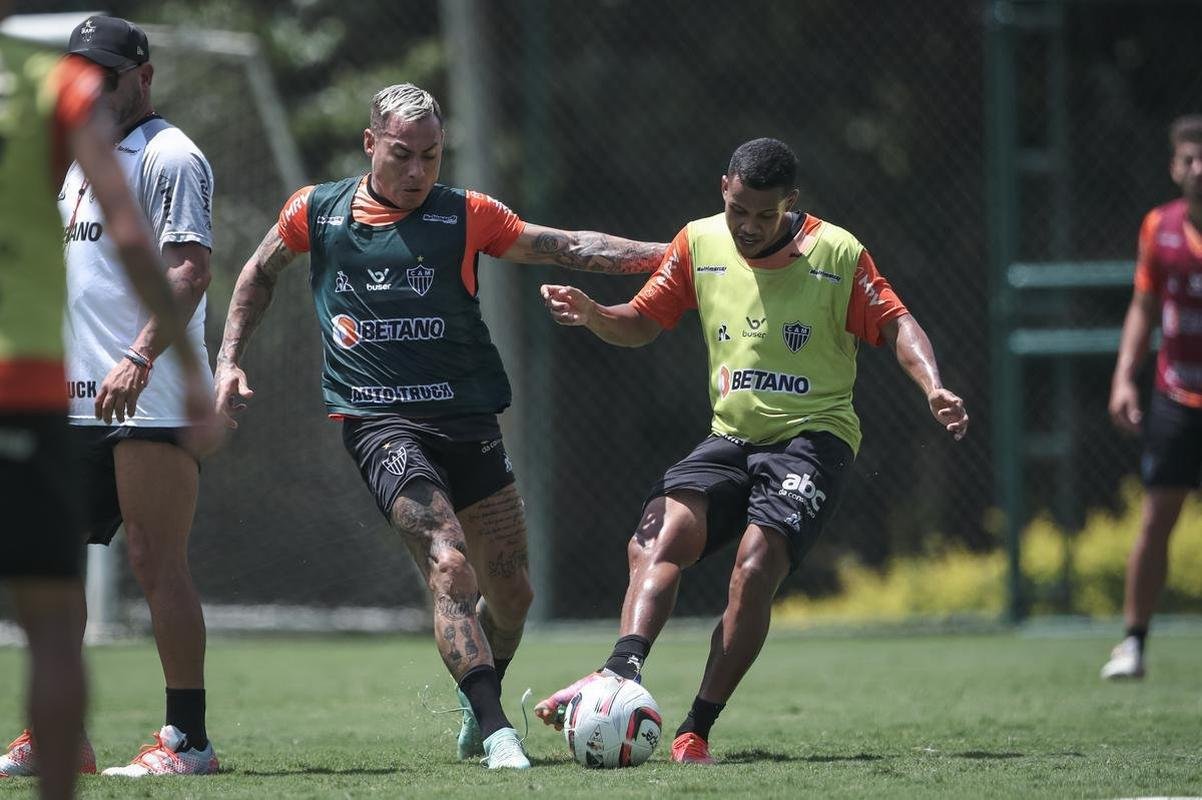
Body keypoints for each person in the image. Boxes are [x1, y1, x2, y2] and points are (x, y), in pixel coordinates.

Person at [213, 82, 665, 769]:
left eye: (431, 156)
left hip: (468, 417)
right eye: (402, 154)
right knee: (450, 564)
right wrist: (228, 361)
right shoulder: (315, 211)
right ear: (370, 144)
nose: (419, 171)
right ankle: (496, 733)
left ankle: (477, 689)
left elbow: (569, 244)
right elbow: (256, 273)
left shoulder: (467, 215)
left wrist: (680, 253)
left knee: (512, 592)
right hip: (379, 423)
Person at [534, 137, 969, 764]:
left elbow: (898, 322)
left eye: (765, 215)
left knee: (756, 562)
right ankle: (618, 676)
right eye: (740, 209)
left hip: (813, 437)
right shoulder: (699, 241)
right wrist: (594, 313)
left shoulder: (837, 253)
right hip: (732, 435)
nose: (749, 226)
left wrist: (933, 386)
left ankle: (695, 728)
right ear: (724, 189)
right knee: (657, 539)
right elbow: (639, 321)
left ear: (790, 203)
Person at [0, 7, 216, 797]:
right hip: (66, 397)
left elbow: (189, 271)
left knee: (159, 564)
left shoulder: (170, 154)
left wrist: (141, 357)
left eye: (107, 77)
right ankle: (60, 736)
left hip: (144, 394)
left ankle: (187, 739)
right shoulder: (70, 155)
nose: (90, 88)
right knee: (45, 574)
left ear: (144, 77)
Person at [1101, 115, 1202, 681]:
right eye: (1188, 158)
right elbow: (1143, 308)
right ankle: (1133, 643)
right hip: (1175, 397)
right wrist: (1123, 377)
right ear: (1174, 166)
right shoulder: (1159, 227)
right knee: (1157, 519)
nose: (1198, 168)